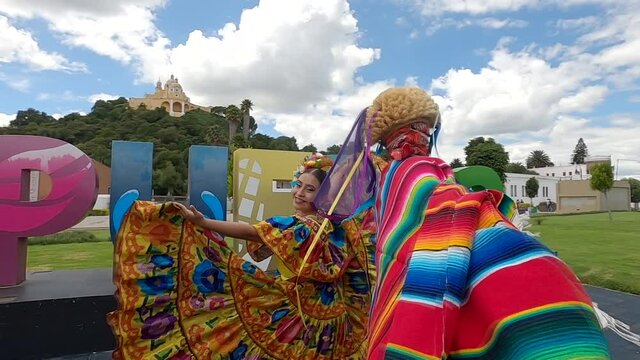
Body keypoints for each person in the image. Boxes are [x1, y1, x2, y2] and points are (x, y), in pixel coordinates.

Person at [325, 87, 610, 359]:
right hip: (419, 265)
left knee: (403, 319)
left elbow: (403, 230)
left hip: (401, 276)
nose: (424, 137)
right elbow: (446, 208)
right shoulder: (421, 169)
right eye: (423, 129)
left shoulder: (389, 176)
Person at [107, 153, 376, 360]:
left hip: (305, 317)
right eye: (298, 185)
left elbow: (253, 233)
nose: (299, 192)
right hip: (327, 317)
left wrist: (204, 224)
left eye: (309, 189)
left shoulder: (308, 227)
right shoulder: (332, 226)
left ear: (326, 195)